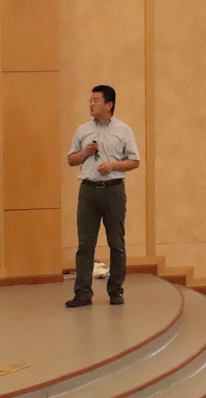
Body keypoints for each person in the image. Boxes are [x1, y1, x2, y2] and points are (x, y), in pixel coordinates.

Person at [65, 85, 140, 307]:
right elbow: (71, 160)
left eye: (96, 100)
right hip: (88, 191)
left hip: (114, 190)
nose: (91, 104)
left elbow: (135, 161)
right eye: (90, 100)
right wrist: (86, 152)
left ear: (109, 104)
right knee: (85, 244)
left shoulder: (124, 130)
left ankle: (116, 290)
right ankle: (82, 293)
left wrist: (113, 166)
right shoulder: (83, 130)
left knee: (116, 243)